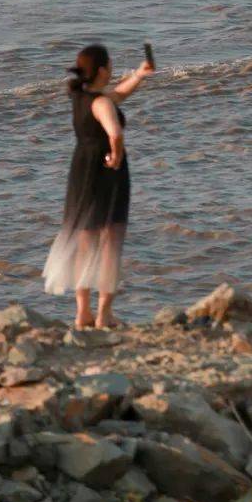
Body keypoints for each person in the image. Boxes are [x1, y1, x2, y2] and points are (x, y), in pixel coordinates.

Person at [42, 42, 155, 329]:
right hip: (106, 173)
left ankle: (82, 313)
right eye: (111, 65)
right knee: (110, 243)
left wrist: (140, 75)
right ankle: (104, 314)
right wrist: (116, 155)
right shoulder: (101, 103)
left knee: (85, 241)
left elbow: (116, 95)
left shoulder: (82, 97)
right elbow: (114, 132)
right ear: (103, 69)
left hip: (81, 170)